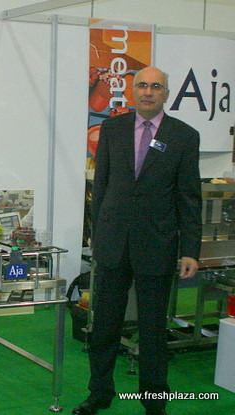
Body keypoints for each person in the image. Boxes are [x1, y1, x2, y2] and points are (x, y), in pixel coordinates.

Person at [72, 66, 202, 415]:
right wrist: (97, 234)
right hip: (113, 243)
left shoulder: (184, 136)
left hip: (157, 244)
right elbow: (100, 186)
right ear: (133, 90)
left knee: (153, 329)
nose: (148, 91)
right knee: (104, 325)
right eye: (142, 85)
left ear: (166, 93)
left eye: (156, 86)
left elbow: (189, 198)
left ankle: (154, 399)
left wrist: (190, 249)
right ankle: (99, 392)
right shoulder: (112, 129)